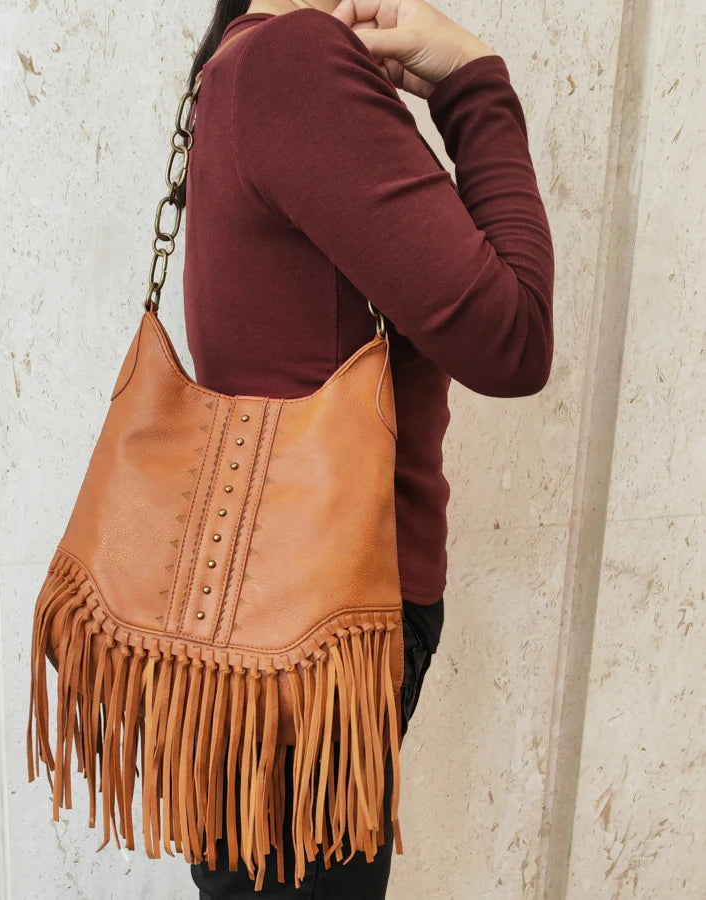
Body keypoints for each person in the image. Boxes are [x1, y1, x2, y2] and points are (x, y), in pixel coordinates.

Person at [180, 1, 555, 896]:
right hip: (318, 643)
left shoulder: (237, 59)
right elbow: (514, 340)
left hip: (251, 625)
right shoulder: (296, 63)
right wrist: (475, 80)